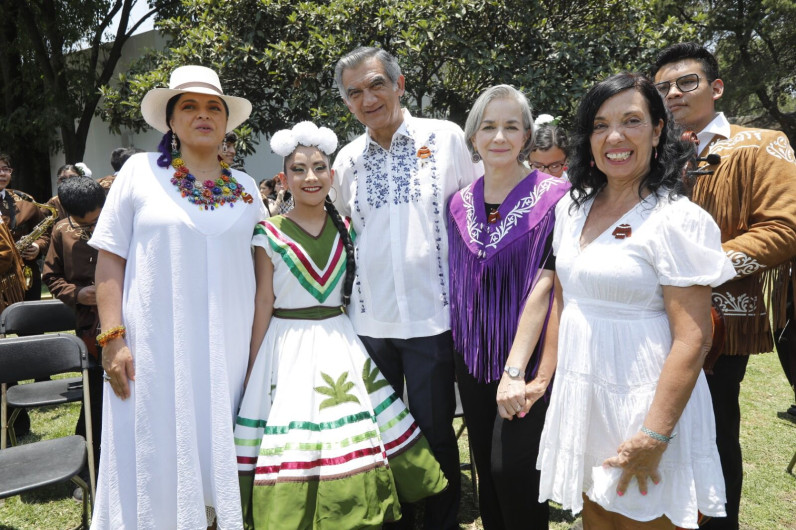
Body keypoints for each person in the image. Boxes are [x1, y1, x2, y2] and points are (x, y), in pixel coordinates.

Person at [536, 72, 737, 529]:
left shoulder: (677, 220)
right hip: (584, 394)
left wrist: (655, 434)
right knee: (597, 518)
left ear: (658, 129)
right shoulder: (572, 209)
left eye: (632, 120)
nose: (615, 137)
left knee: (645, 519)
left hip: (646, 406)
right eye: (601, 124)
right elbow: (565, 302)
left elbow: (693, 338)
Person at [234, 121, 447, 529]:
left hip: (339, 338)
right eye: (298, 169)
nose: (310, 177)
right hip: (286, 344)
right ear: (284, 178)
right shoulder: (267, 233)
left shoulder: (349, 228)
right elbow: (264, 300)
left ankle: (358, 510)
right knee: (298, 433)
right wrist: (253, 365)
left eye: (318, 167)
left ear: (333, 175)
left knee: (348, 430)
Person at [89, 65, 267, 529]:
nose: (202, 115)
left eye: (213, 107)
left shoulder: (248, 190)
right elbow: (110, 260)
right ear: (170, 120)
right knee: (154, 451)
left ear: (227, 122)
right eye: (188, 105)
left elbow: (265, 274)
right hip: (152, 352)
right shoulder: (138, 173)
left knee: (218, 452)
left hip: (227, 352)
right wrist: (112, 339)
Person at [331, 46, 481, 530]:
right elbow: (341, 224)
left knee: (437, 432)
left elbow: (472, 217)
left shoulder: (445, 137)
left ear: (399, 84)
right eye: (354, 92)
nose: (367, 98)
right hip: (369, 322)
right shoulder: (348, 159)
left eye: (376, 84)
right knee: (378, 434)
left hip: (433, 317)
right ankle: (393, 518)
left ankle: (440, 522)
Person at [652, 42, 796, 529]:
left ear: (715, 87)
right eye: (662, 87)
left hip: (720, 319)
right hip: (646, 319)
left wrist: (705, 269)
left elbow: (784, 227)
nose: (673, 93)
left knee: (711, 432)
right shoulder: (649, 151)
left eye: (685, 82)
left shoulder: (759, 143)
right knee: (656, 429)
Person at [448, 85, 569, 529]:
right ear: (473, 135)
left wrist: (524, 371)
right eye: (488, 126)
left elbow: (551, 283)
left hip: (527, 358)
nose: (499, 136)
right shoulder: (458, 203)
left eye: (511, 127)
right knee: (486, 474)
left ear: (526, 137)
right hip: (473, 358)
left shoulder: (557, 197)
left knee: (513, 471)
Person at [42, 175, 106, 502]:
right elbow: (51, 278)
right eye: (86, 223)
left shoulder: (121, 219)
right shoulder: (60, 232)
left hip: (130, 319)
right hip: (89, 328)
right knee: (95, 397)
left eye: (98, 218)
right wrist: (80, 293)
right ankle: (88, 468)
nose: (94, 226)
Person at [0, 152, 51, 301]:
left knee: (30, 322)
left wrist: (37, 245)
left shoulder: (25, 200)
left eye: (6, 169)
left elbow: (46, 233)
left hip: (25, 276)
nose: (2, 173)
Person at [529, 114, 569, 180]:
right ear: (529, 161)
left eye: (554, 166)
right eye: (538, 166)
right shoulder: (519, 187)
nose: (546, 174)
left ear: (565, 162)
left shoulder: (572, 189)